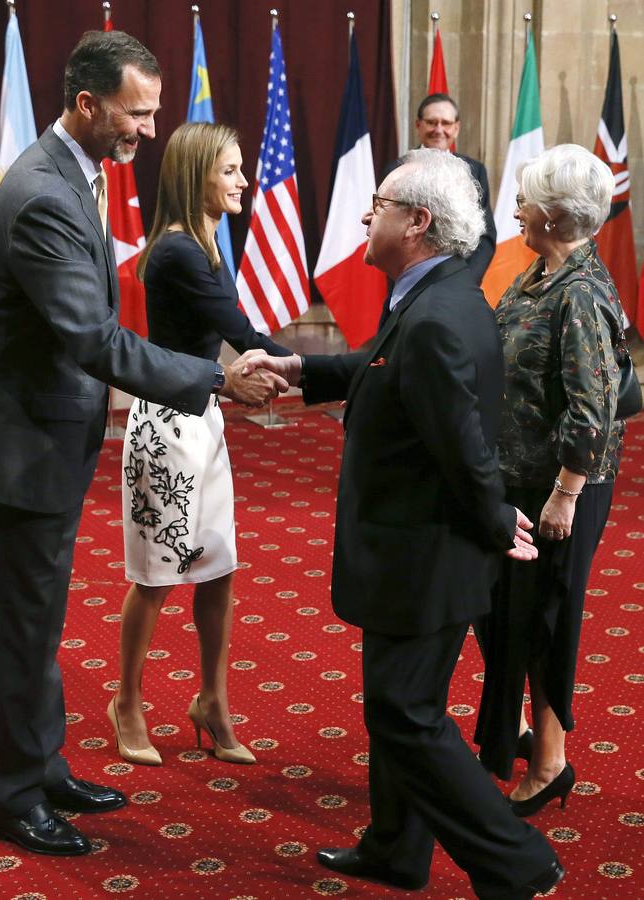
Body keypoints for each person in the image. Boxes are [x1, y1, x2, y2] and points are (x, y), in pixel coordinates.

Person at [0, 31, 285, 858]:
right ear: (87, 103)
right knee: (15, 628)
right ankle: (12, 799)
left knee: (39, 619)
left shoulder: (74, 174)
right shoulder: (43, 194)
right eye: (136, 113)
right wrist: (214, 379)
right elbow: (92, 339)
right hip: (17, 450)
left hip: (44, 442)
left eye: (153, 112)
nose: (148, 129)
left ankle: (42, 765)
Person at [244, 148, 564, 899]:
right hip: (414, 552)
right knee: (401, 706)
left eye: (379, 205)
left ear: (417, 222)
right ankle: (394, 848)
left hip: (425, 557)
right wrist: (303, 369)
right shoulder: (436, 295)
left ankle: (520, 861)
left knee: (404, 713)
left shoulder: (437, 317)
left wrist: (496, 520)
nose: (366, 215)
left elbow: (462, 445)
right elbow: (383, 368)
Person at [107, 122, 293, 768]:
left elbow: (237, 339)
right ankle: (126, 702)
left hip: (202, 418)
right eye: (230, 170)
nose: (243, 180)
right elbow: (242, 335)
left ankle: (212, 702)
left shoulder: (204, 244)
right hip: (165, 428)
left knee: (217, 568)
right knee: (157, 577)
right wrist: (330, 374)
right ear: (197, 176)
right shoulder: (179, 252)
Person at [474, 145, 623, 816]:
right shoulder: (537, 274)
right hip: (518, 481)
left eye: (526, 200)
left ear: (557, 216)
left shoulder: (581, 291)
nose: (516, 209)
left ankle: (551, 763)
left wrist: (565, 493)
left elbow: (593, 408)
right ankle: (523, 735)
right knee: (503, 615)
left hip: (559, 491)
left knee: (543, 623)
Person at [381, 92, 496, 301]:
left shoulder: (475, 171)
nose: (439, 129)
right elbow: (387, 231)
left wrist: (464, 281)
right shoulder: (396, 170)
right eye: (432, 122)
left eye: (446, 123)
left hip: (459, 284)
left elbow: (485, 237)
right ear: (418, 125)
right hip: (408, 284)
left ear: (456, 128)